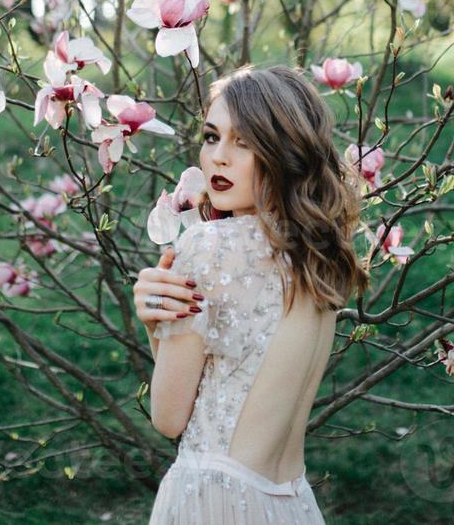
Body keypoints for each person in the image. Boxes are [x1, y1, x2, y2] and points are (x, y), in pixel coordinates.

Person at [133, 64, 371, 524]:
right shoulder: (320, 257)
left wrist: (155, 324)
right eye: (211, 137)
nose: (218, 158)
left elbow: (168, 417)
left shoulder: (207, 248)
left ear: (284, 153)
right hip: (290, 504)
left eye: (244, 143)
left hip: (212, 500)